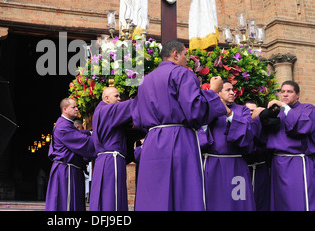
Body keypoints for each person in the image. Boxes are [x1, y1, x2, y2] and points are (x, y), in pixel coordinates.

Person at [132, 40, 226, 211]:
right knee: (183, 194)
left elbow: (137, 118)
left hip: (152, 141)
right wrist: (212, 92)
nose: (186, 60)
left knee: (154, 195)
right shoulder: (182, 73)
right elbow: (195, 111)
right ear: (175, 54)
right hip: (179, 139)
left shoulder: (144, 81)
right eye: (185, 55)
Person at [199, 81, 257, 210]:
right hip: (212, 165)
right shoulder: (207, 110)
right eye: (227, 90)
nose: (232, 92)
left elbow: (248, 133)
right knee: (214, 201)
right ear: (218, 92)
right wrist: (208, 117)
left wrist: (229, 114)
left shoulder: (242, 110)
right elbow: (198, 135)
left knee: (238, 200)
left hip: (236, 166)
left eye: (233, 89)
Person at [265, 80, 315, 211]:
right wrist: (262, 115)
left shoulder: (308, 109)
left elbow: (302, 127)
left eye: (289, 92)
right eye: (282, 92)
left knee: (298, 201)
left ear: (298, 94)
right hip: (277, 163)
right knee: (280, 202)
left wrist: (285, 107)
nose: (285, 95)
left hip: (297, 162)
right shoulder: (276, 112)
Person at [89, 87, 135, 211]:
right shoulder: (107, 110)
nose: (119, 99)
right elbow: (132, 105)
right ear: (107, 98)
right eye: (117, 96)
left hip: (103, 159)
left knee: (104, 198)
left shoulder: (100, 111)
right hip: (112, 159)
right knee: (113, 199)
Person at [45, 98, 95, 211]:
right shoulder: (63, 126)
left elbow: (77, 133)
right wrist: (101, 140)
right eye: (74, 107)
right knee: (67, 204)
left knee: (73, 202)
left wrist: (90, 133)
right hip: (65, 170)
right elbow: (81, 141)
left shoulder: (67, 124)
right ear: (65, 109)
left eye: (77, 106)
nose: (77, 109)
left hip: (70, 169)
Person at [244, 100, 271, 211]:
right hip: (244, 170)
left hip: (260, 169)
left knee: (261, 200)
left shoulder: (263, 125)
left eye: (254, 111)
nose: (252, 113)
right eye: (249, 111)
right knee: (242, 198)